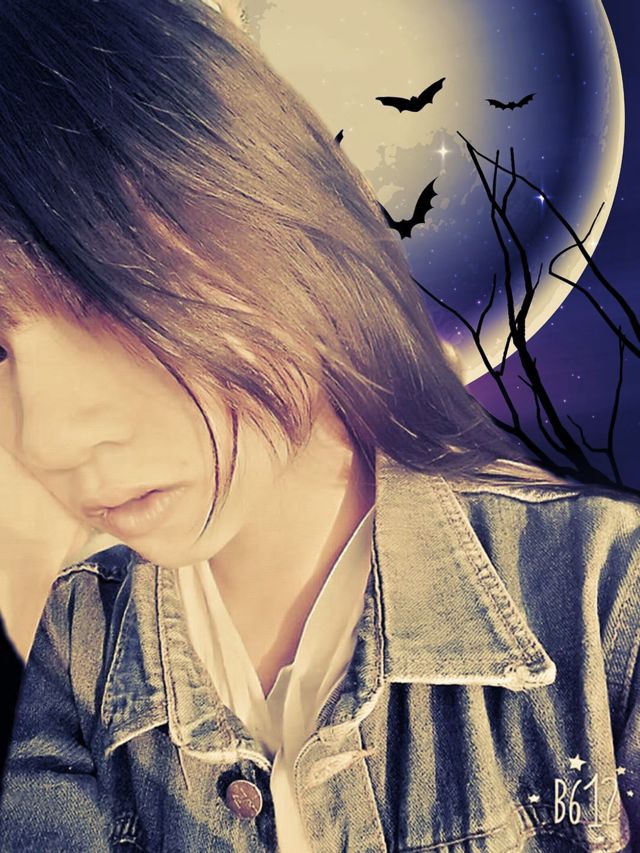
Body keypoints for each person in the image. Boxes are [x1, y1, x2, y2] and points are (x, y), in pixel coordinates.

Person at [0, 0, 637, 850]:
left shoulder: (607, 599)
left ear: (277, 205)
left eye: (100, 288)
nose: (41, 436)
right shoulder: (72, 635)